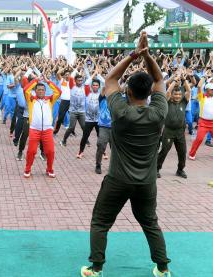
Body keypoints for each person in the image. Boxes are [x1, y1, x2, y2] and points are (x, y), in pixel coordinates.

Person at [80, 32, 171, 277]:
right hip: (146, 183)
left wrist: (134, 54)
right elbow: (159, 78)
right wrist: (147, 55)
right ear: (149, 94)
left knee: (100, 222)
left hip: (118, 180)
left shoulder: (120, 111)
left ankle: (96, 268)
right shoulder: (158, 112)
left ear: (128, 92)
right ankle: (163, 268)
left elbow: (111, 78)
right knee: (150, 223)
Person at [23, 75, 61, 178]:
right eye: (38, 90)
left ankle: (49, 169)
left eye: (42, 90)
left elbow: (58, 92)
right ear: (35, 91)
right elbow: (26, 89)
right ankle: (27, 169)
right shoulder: (31, 99)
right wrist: (36, 80)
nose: (40, 91)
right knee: (32, 151)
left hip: (47, 130)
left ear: (45, 91)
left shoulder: (49, 99)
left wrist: (48, 81)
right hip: (34, 130)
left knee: (50, 151)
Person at [157, 74, 190, 179]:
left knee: (182, 151)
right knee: (164, 150)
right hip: (168, 131)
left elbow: (188, 91)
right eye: (175, 95)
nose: (178, 96)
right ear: (172, 95)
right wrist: (174, 82)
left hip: (180, 132)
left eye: (179, 95)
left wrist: (184, 79)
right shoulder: (167, 102)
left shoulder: (184, 102)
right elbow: (167, 92)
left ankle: (180, 170)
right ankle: (156, 169)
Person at [188, 78, 213, 159]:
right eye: (211, 90)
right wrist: (204, 77)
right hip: (203, 122)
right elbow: (199, 86)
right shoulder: (201, 97)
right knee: (199, 139)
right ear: (207, 90)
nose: (212, 91)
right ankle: (192, 154)